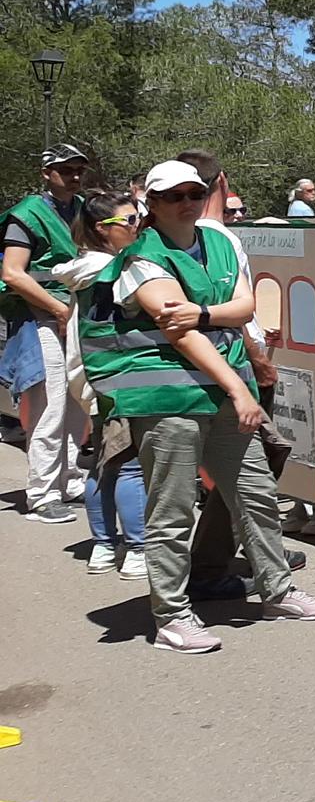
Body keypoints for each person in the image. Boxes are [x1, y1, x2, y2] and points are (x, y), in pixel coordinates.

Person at [82, 160, 315, 653]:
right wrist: (240, 388)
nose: (187, 202)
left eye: (194, 193)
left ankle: (277, 591)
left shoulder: (217, 241)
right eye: (174, 195)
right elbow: (180, 336)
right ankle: (172, 616)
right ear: (151, 203)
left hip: (222, 391)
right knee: (172, 507)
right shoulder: (141, 258)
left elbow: (243, 307)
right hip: (168, 397)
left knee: (256, 492)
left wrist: (202, 311)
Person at [178, 149, 305, 600]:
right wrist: (257, 360)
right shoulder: (219, 239)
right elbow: (231, 313)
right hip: (235, 365)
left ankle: (244, 554)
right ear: (223, 183)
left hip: (216, 366)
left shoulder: (191, 236)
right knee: (257, 463)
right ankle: (217, 564)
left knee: (242, 470)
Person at [54, 192, 146, 579]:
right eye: (127, 221)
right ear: (100, 229)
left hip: (88, 374)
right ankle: (139, 549)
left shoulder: (84, 267)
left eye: (137, 218)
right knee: (128, 463)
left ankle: (104, 547)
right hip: (112, 373)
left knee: (101, 462)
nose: (136, 226)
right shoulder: (110, 270)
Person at [1, 144, 93, 521]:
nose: (72, 176)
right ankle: (41, 492)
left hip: (78, 315)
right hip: (42, 316)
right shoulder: (27, 215)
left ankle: (69, 479)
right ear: (46, 173)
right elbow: (12, 273)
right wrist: (56, 308)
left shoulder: (84, 207)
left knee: (76, 401)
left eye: (77, 170)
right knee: (50, 406)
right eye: (64, 169)